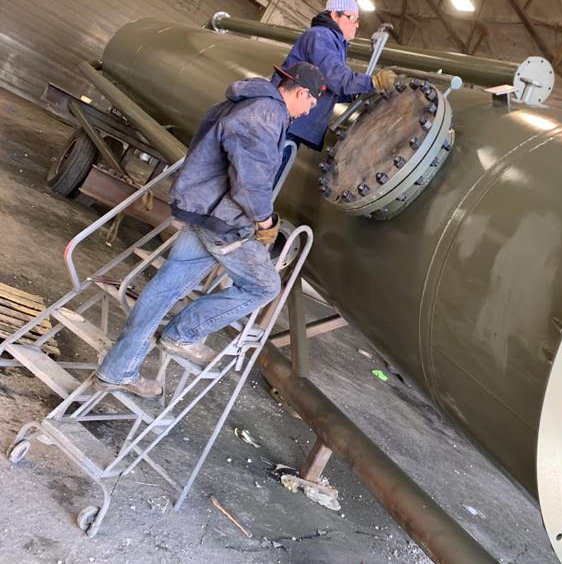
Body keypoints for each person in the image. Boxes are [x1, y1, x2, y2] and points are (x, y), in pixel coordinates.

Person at [94, 62, 327, 398]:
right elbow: (251, 182)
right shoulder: (266, 114)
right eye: (311, 104)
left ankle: (117, 369)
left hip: (203, 209)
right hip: (222, 219)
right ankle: (184, 335)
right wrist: (265, 222)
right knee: (264, 286)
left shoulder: (246, 100)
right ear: (302, 91)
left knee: (166, 287)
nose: (308, 112)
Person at [272, 0, 397, 165]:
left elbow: (322, 89)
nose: (356, 25)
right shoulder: (321, 36)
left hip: (289, 122)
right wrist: (375, 82)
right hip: (283, 119)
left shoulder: (333, 42)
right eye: (352, 18)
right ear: (334, 15)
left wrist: (352, 95)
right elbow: (336, 78)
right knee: (262, 178)